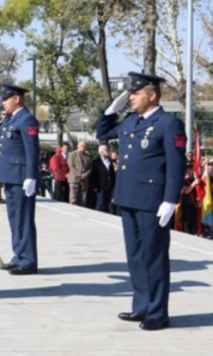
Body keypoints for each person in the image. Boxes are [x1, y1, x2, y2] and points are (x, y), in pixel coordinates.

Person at [96, 72, 186, 331]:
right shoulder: (131, 121)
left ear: (152, 94)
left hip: (152, 201)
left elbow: (176, 165)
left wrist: (170, 200)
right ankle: (141, 306)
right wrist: (112, 109)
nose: (131, 97)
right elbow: (102, 131)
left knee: (154, 257)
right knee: (135, 257)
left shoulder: (168, 123)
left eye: (135, 93)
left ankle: (158, 312)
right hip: (127, 197)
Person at [0, 85, 40, 275]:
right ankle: (19, 256)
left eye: (5, 100)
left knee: (23, 220)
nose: (3, 104)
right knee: (14, 219)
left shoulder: (26, 120)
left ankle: (28, 261)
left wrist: (31, 176)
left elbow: (32, 151)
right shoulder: (11, 120)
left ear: (16, 99)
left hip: (20, 178)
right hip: (9, 177)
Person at [91, 145, 116, 214]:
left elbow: (112, 174)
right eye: (106, 150)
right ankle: (95, 215)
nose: (108, 151)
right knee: (100, 202)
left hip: (109, 185)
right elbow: (94, 175)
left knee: (108, 202)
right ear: (101, 152)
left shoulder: (110, 162)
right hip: (100, 186)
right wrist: (95, 186)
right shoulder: (96, 162)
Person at [67, 140, 92, 207]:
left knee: (83, 197)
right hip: (74, 178)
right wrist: (79, 174)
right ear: (77, 146)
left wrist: (86, 174)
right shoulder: (72, 154)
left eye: (84, 146)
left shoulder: (87, 155)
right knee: (73, 197)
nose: (83, 147)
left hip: (84, 179)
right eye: (81, 145)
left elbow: (90, 167)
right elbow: (71, 166)